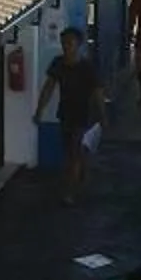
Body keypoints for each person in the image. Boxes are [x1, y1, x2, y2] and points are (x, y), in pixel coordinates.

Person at [32, 27, 101, 201]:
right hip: (65, 113)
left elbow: (97, 93)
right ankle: (79, 175)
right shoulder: (58, 63)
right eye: (64, 43)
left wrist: (102, 115)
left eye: (70, 43)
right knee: (69, 151)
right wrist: (39, 110)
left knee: (74, 152)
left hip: (84, 114)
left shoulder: (86, 67)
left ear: (78, 45)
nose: (66, 47)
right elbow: (49, 88)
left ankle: (69, 192)